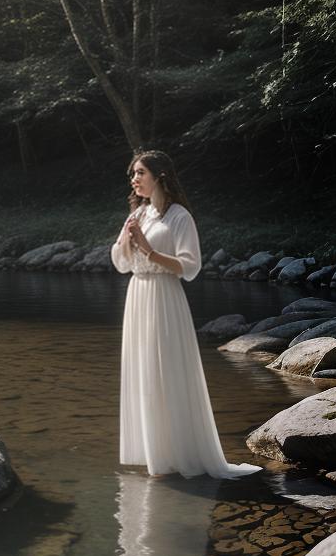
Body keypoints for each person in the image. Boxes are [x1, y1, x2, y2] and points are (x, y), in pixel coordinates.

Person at [110, 150, 260, 478]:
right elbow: (120, 263)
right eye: (132, 174)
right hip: (138, 295)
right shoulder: (139, 214)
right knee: (144, 371)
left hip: (165, 297)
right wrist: (127, 241)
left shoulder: (179, 217)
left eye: (140, 173)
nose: (134, 179)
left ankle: (177, 454)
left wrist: (149, 250)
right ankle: (152, 453)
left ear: (159, 176)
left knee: (167, 371)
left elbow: (190, 266)